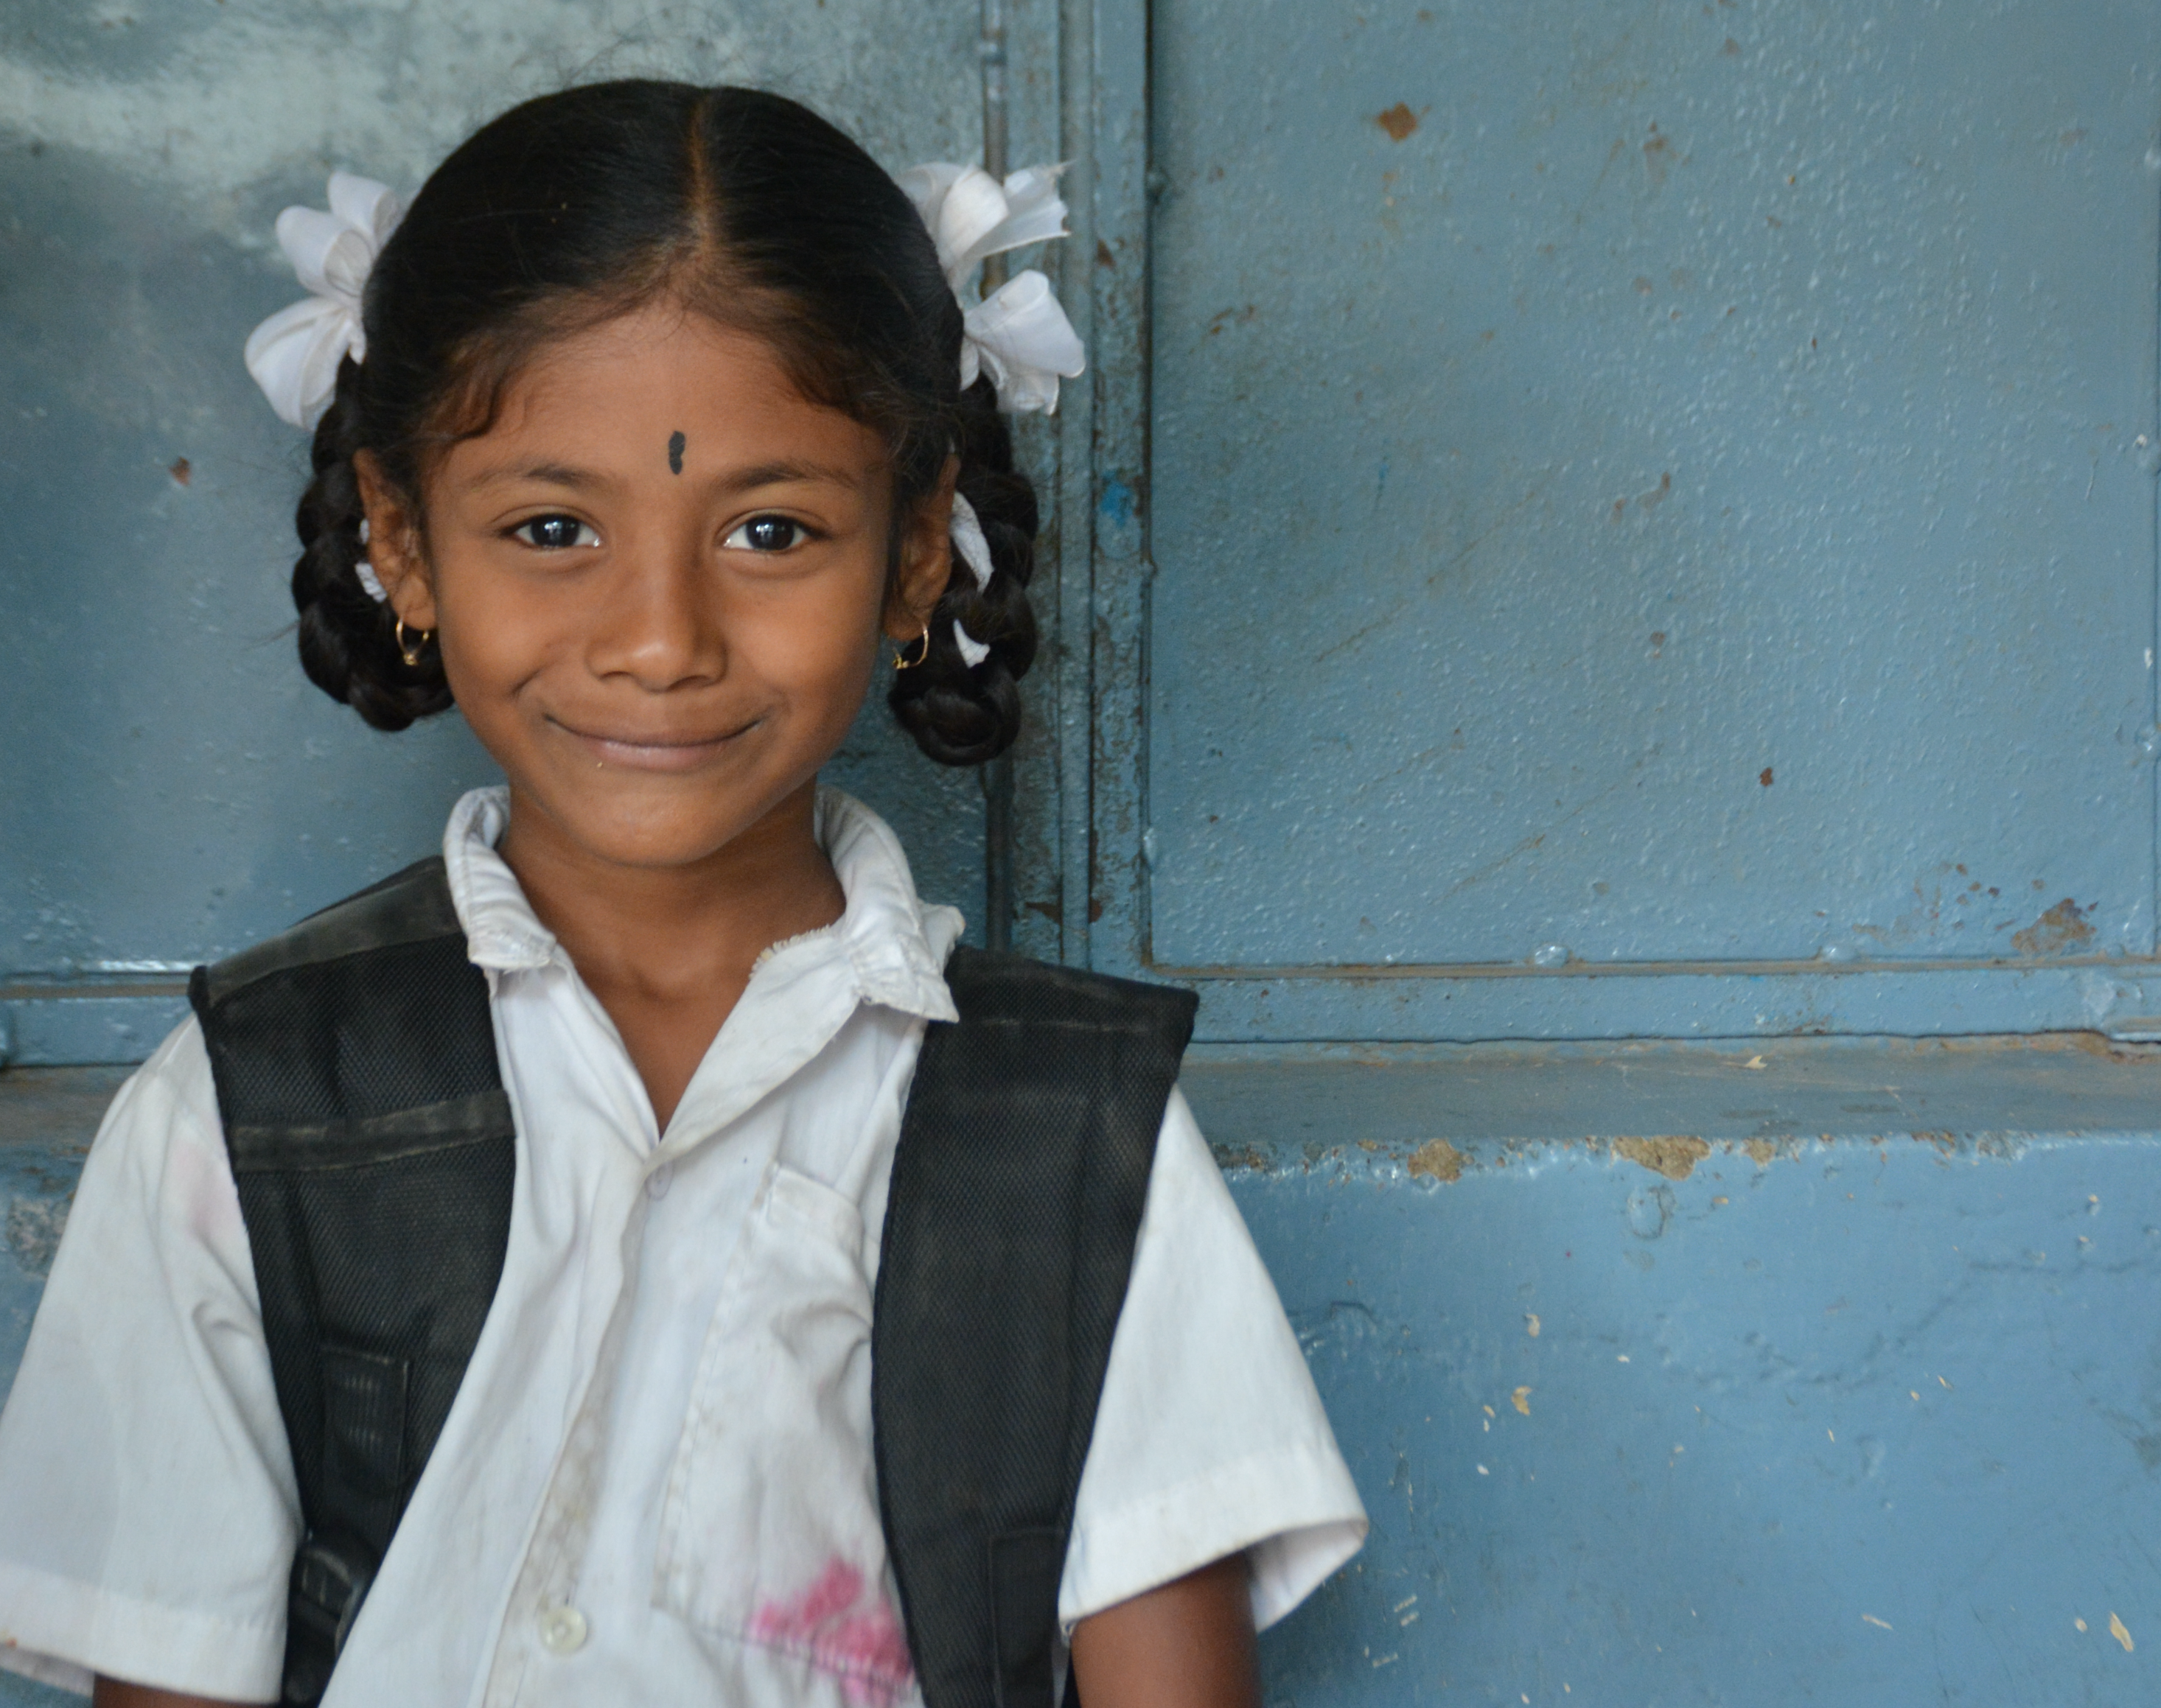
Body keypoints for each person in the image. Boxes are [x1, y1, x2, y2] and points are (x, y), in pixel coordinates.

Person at [0, 80, 1364, 1708]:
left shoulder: (1066, 1135)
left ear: (919, 550)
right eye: (554, 526)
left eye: (771, 528)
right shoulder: (253, 1108)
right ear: (404, 539)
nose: (660, 639)